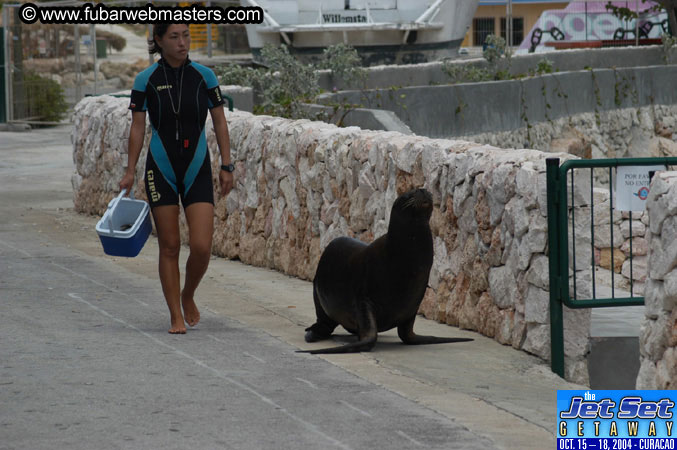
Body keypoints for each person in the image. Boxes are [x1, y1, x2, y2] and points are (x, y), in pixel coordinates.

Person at [119, 23, 234, 334]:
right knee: (169, 245)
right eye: (174, 37)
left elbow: (220, 123)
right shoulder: (146, 81)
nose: (183, 43)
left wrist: (227, 165)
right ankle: (175, 315)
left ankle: (188, 294)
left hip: (196, 166)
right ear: (158, 40)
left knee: (201, 245)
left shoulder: (205, 77)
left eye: (185, 36)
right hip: (162, 168)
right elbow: (138, 128)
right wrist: (130, 171)